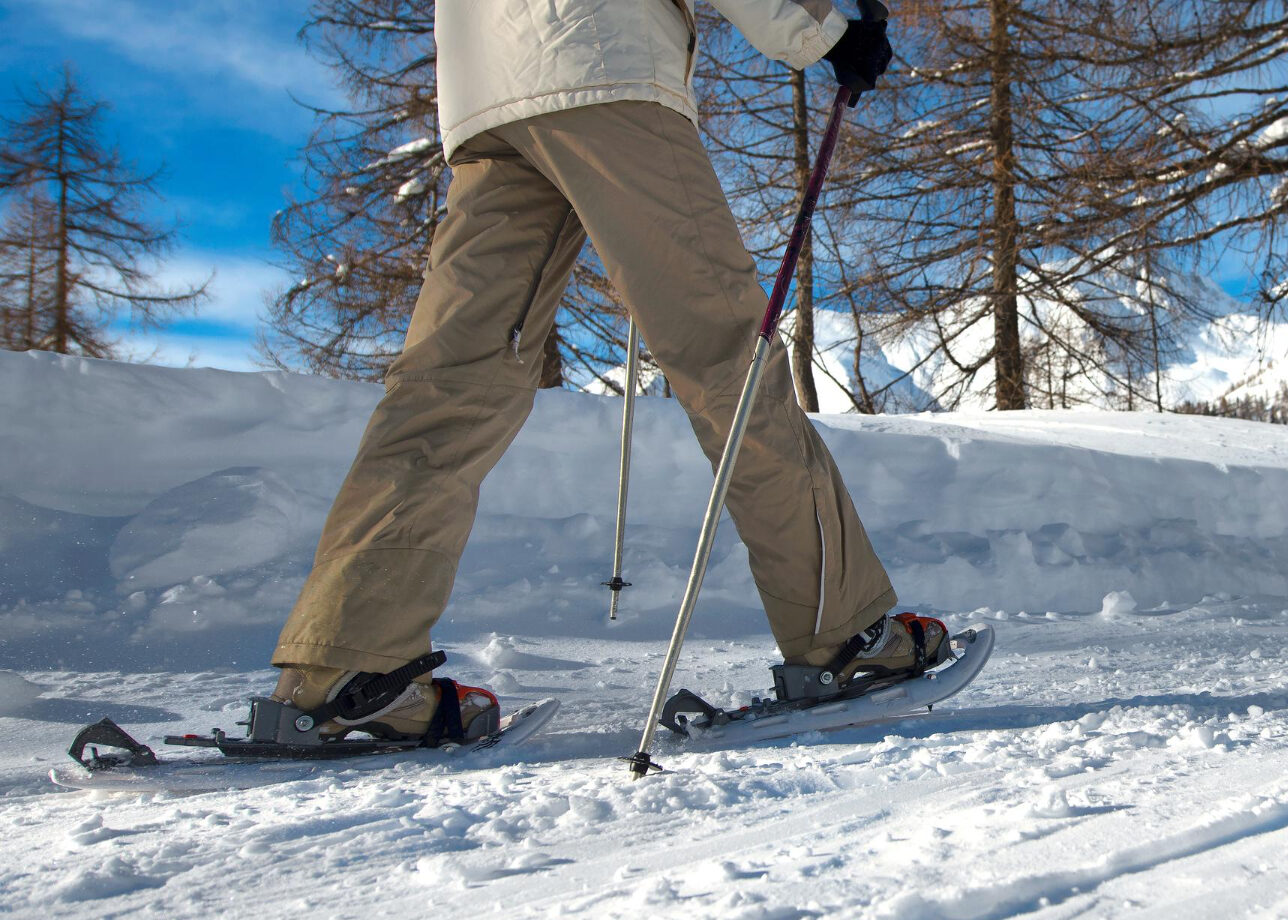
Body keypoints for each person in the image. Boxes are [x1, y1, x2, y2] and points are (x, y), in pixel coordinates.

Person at [268, 0, 944, 744]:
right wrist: (825, 33)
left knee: (447, 388)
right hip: (604, 65)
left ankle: (347, 667)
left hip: (486, 97)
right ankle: (844, 637)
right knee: (728, 360)